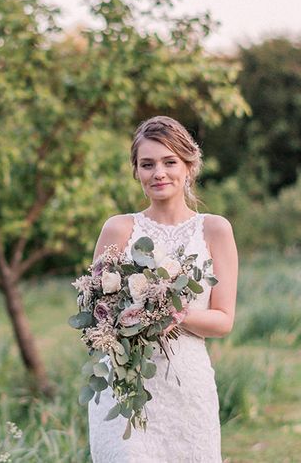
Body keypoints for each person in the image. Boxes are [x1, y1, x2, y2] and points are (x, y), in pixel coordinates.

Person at [88, 116, 238, 463]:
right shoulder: (118, 229)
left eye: (170, 162)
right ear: (136, 172)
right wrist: (129, 318)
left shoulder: (215, 230)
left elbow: (224, 320)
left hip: (186, 386)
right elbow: (95, 314)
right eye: (147, 164)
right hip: (125, 388)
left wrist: (175, 313)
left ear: (189, 166)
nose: (159, 173)